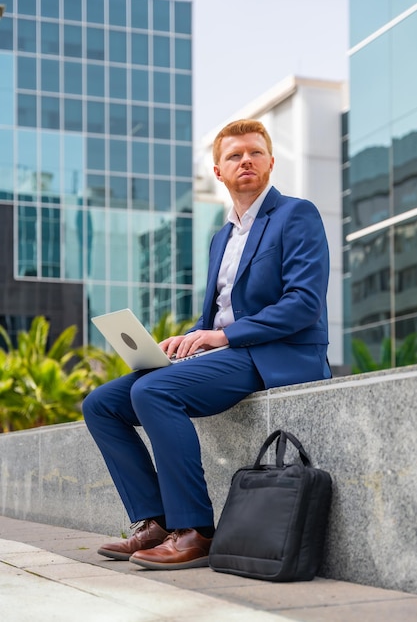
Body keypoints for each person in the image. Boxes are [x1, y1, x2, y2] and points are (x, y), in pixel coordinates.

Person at [82, 119, 331, 571]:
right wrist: (188, 338)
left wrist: (221, 336)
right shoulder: (222, 236)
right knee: (101, 403)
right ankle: (155, 522)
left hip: (275, 354)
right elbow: (218, 313)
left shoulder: (297, 214)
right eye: (234, 156)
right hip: (225, 352)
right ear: (219, 171)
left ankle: (196, 530)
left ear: (271, 163)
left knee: (153, 391)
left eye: (255, 153)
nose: (246, 161)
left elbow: (304, 304)